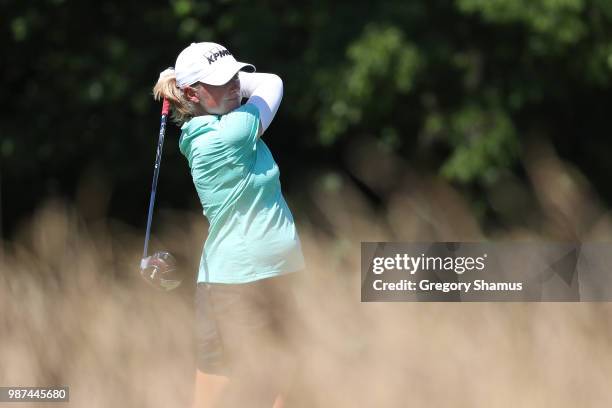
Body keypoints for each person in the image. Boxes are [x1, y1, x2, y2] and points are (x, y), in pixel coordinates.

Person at [153, 42, 306, 408]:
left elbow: (251, 85)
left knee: (265, 381)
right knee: (258, 385)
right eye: (221, 81)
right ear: (193, 93)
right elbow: (272, 83)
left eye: (235, 75)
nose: (235, 84)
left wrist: (183, 80)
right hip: (244, 282)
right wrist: (178, 79)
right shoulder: (229, 134)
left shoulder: (211, 128)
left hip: (245, 276)